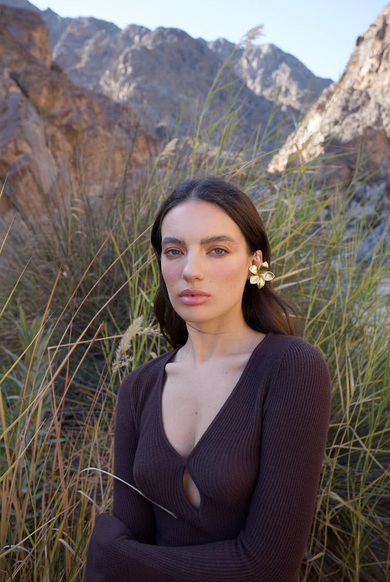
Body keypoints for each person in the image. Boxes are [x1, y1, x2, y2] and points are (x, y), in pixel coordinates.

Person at [83, 175, 332, 582]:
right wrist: (121, 557)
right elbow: (131, 542)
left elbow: (268, 568)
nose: (191, 270)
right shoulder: (138, 390)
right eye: (174, 251)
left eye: (217, 250)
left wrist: (116, 557)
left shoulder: (292, 369)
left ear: (255, 262)